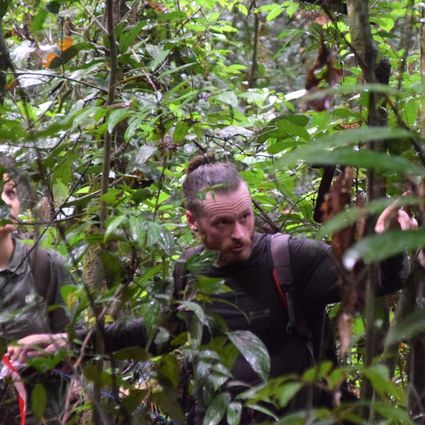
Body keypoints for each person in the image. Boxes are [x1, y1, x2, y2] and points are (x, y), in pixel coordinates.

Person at [9, 154, 417, 424]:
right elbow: (154, 335)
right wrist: (69, 341)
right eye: (223, 224)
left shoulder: (291, 259)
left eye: (246, 216)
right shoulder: (190, 270)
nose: (239, 234)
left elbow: (374, 282)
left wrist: (392, 248)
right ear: (193, 222)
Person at [0, 157, 71, 425]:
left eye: (10, 193)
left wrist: (52, 345)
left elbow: (86, 345)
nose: (6, 203)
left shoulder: (45, 265)